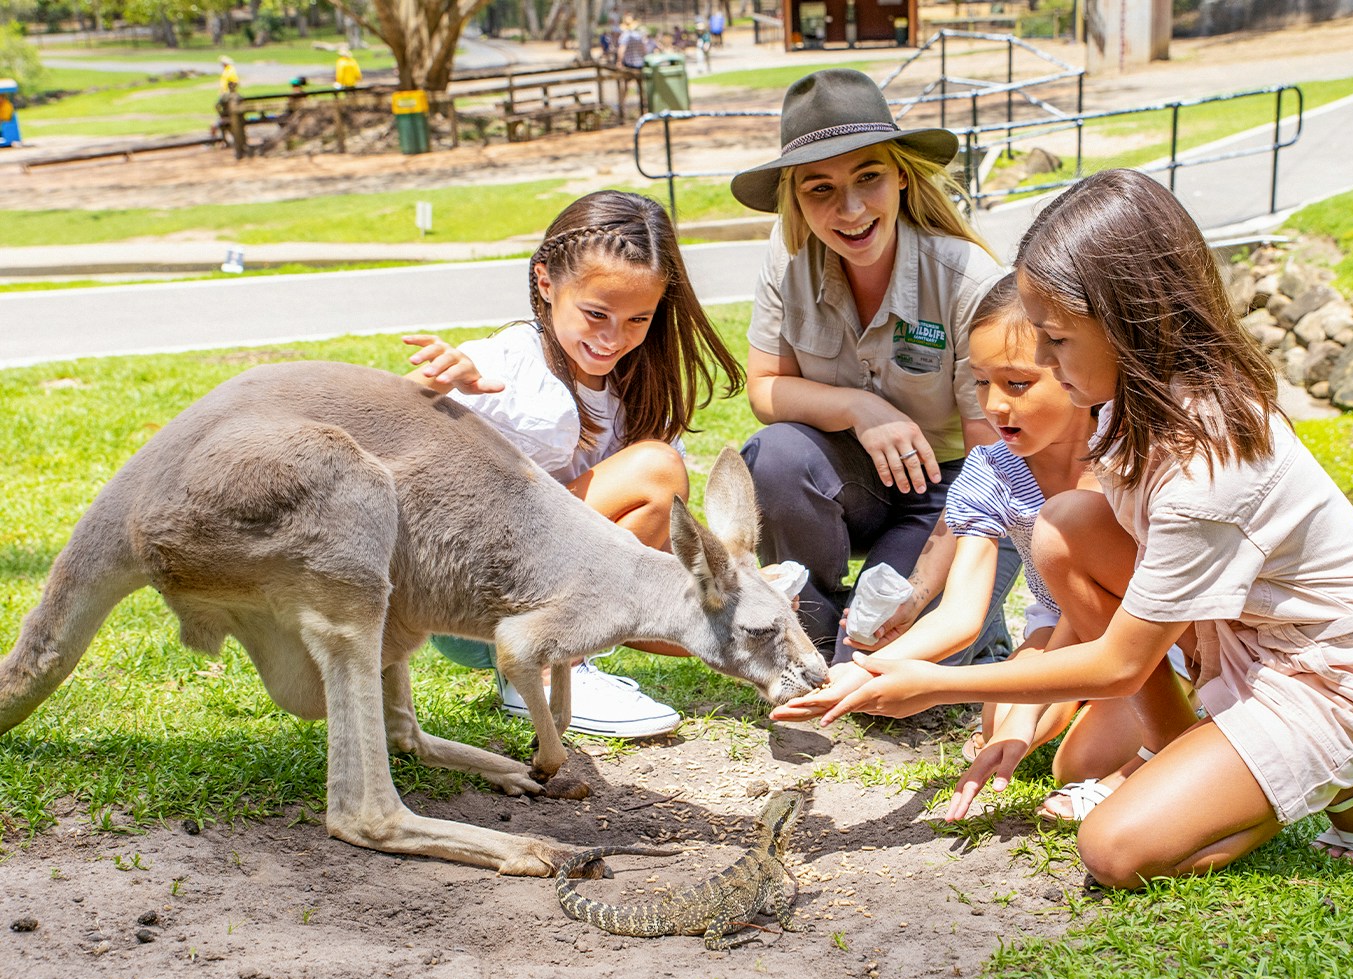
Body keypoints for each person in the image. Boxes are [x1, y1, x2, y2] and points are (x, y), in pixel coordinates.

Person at [785, 169, 1353, 887]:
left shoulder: (1204, 463)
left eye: (1056, 340)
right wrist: (893, 666)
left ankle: (1344, 779)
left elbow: (1123, 662)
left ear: (1131, 322)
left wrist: (934, 685)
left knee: (1114, 850)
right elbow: (1073, 600)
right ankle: (1204, 758)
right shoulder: (1121, 408)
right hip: (1233, 638)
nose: (1044, 360)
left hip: (1334, 667)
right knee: (1064, 527)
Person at [773, 274, 1189, 796]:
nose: (993, 405)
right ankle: (1091, 710)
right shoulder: (991, 470)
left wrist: (1029, 708)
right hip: (1063, 626)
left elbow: (1096, 613)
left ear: (1070, 370)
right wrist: (867, 670)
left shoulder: (1123, 457)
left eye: (1017, 384)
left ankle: (1180, 704)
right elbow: (960, 614)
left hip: (1153, 633)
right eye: (980, 382)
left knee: (1073, 763)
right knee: (1001, 725)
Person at [400, 190, 744, 739]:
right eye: (596, 314)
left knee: (708, 604)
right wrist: (426, 390)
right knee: (655, 472)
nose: (613, 338)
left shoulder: (635, 385)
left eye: (638, 319)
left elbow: (649, 557)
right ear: (546, 283)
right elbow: (384, 449)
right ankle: (543, 670)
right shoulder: (502, 364)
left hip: (531, 587)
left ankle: (567, 661)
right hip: (468, 597)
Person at [730, 68, 1021, 676]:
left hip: (956, 493)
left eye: (869, 177)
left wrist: (919, 593)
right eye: (820, 189)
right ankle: (815, 620)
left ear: (902, 178)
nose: (852, 209)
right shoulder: (785, 265)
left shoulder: (968, 280)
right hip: (848, 483)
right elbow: (764, 389)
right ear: (793, 198)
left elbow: (998, 464)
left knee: (881, 673)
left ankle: (971, 627)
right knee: (775, 455)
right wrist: (862, 410)